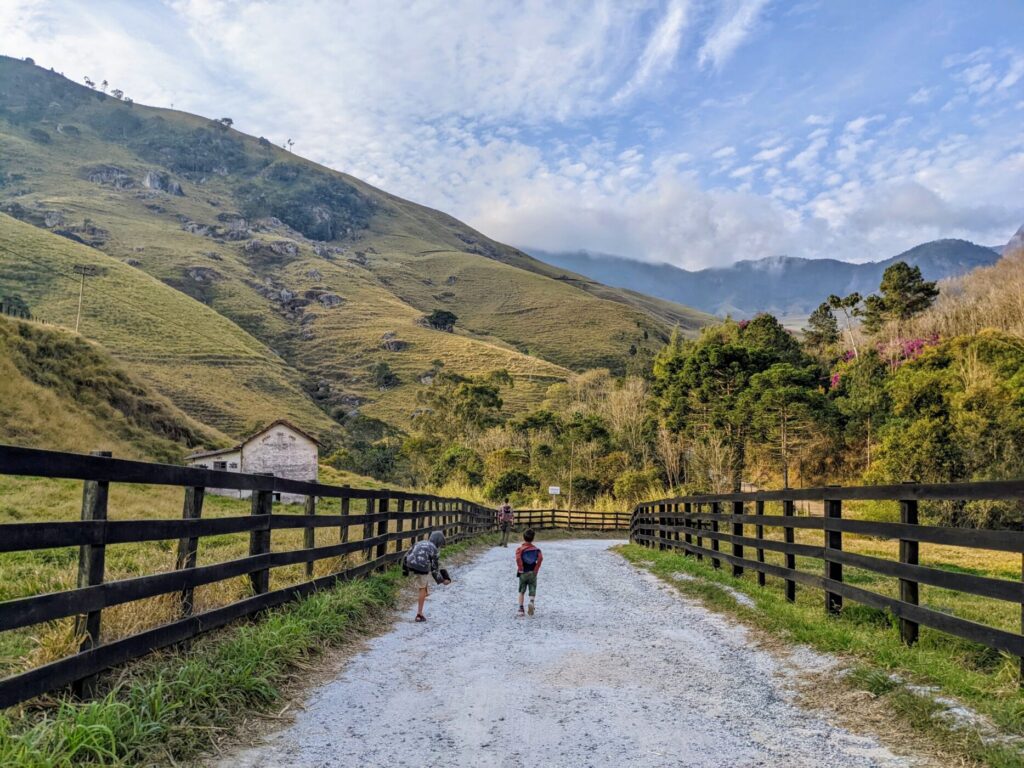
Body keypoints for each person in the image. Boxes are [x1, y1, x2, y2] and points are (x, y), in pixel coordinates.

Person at [402, 530, 451, 622]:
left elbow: (406, 555)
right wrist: (442, 581)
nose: (440, 546)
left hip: (409, 562)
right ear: (438, 542)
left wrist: (405, 571)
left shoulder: (420, 542)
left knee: (425, 572)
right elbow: (434, 569)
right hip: (421, 565)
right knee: (422, 588)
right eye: (440, 544)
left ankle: (426, 591)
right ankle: (419, 615)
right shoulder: (434, 549)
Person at [515, 528, 543, 617]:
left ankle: (521, 609)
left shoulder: (520, 549)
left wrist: (520, 568)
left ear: (524, 538)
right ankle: (531, 602)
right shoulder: (536, 550)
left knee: (521, 591)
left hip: (523, 572)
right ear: (533, 538)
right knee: (532, 588)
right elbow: (540, 558)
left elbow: (518, 558)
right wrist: (536, 569)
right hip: (532, 572)